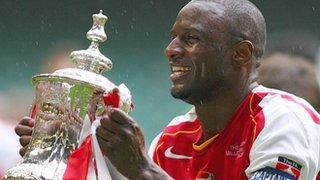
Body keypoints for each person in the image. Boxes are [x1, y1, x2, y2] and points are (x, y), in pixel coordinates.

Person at [15, 0, 320, 179]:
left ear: (240, 54)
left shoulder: (284, 119)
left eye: (191, 39)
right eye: (173, 38)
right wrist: (66, 151)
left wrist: (143, 171)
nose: (171, 50)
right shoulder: (172, 140)